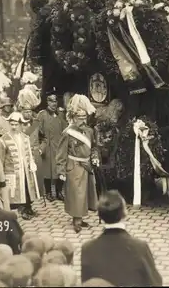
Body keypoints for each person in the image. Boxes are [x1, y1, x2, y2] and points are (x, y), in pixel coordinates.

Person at [81, 190, 162, 286]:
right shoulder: (140, 247)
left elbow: (86, 283)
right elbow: (155, 282)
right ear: (124, 212)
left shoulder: (88, 249)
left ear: (100, 215)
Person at [56, 94, 99, 233]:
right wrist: (61, 170)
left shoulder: (90, 131)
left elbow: (94, 147)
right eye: (79, 118)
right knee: (76, 193)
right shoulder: (67, 133)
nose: (82, 120)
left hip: (86, 166)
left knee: (86, 193)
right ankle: (76, 220)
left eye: (84, 117)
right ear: (73, 117)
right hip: (74, 166)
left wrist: (95, 157)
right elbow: (61, 153)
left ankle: (80, 216)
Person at [0, 112, 39, 220]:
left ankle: (28, 207)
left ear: (21, 124)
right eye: (12, 124)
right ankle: (20, 210)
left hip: (25, 169)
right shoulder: (3, 139)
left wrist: (32, 162)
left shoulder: (25, 137)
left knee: (27, 188)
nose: (14, 127)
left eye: (16, 124)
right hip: (11, 171)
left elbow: (29, 151)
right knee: (15, 191)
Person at [34, 91, 68, 202]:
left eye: (55, 100)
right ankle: (48, 192)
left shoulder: (61, 114)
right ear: (46, 101)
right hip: (47, 146)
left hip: (59, 146)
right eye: (50, 100)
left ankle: (58, 192)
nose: (53, 103)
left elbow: (65, 129)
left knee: (60, 168)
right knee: (48, 170)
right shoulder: (42, 114)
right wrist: (40, 145)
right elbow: (36, 131)